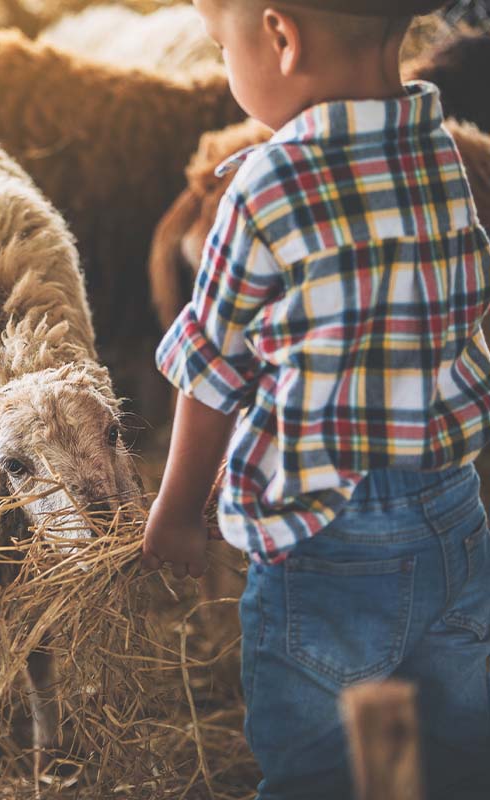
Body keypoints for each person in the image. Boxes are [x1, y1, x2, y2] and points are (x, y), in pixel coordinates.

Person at [142, 1, 490, 797]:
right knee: (449, 754)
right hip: (454, 526)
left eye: (219, 46)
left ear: (279, 37)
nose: (224, 69)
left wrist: (176, 513)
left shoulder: (266, 186)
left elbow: (212, 371)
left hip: (324, 542)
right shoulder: (439, 150)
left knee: (317, 771)